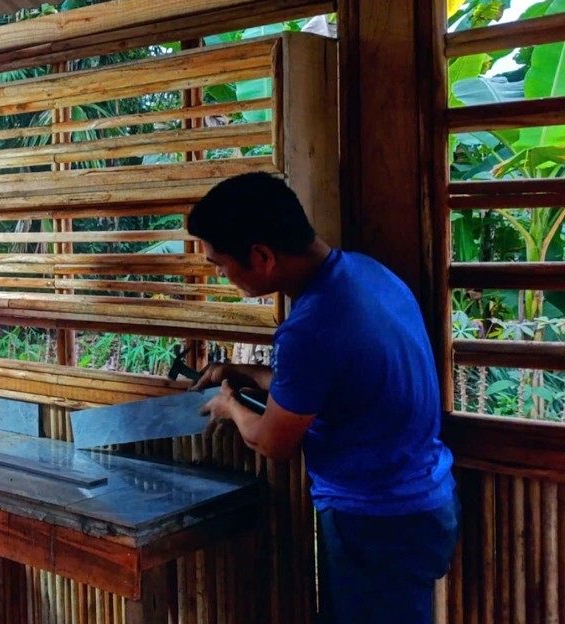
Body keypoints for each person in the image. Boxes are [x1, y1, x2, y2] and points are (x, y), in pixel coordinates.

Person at [187, 172, 458, 624]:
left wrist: (230, 405)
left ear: (262, 256)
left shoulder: (310, 327)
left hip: (377, 523)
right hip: (425, 504)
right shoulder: (366, 273)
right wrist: (241, 373)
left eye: (220, 263)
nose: (220, 273)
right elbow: (326, 383)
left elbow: (275, 443)